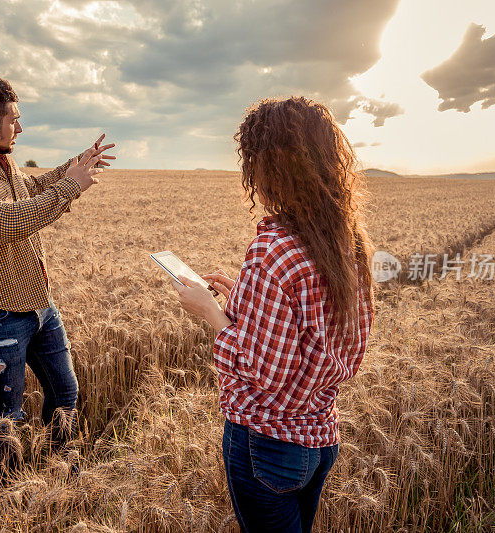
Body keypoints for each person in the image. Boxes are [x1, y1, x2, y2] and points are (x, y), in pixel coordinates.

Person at [172, 96, 375, 532]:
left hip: (266, 444)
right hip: (320, 437)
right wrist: (244, 300)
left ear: (269, 169)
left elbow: (266, 373)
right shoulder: (346, 240)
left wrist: (211, 313)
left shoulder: (275, 248)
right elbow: (332, 342)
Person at [0, 76, 115, 452]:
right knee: (7, 421)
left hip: (38, 303)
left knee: (65, 394)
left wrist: (73, 167)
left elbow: (35, 192)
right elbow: (8, 223)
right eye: (14, 120)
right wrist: (72, 186)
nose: (20, 128)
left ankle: (61, 473)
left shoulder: (2, 164)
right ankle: (6, 498)